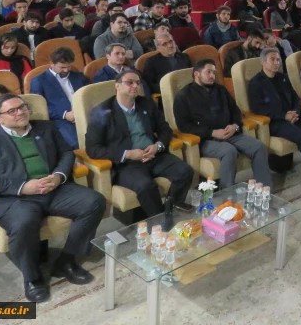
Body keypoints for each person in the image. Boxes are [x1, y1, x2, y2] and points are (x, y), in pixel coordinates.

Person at [0, 93, 105, 303]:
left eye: (22, 107)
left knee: (94, 202)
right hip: (16, 198)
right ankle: (32, 278)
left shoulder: (45, 128)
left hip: (54, 188)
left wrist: (58, 176)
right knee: (23, 222)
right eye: (12, 111)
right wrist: (23, 187)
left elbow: (67, 153)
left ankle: (66, 261)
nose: (20, 112)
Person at [85, 69, 193, 216]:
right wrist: (127, 154)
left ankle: (170, 211)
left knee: (185, 172)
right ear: (117, 86)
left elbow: (165, 129)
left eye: (137, 83)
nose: (135, 86)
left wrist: (158, 146)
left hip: (154, 155)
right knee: (146, 186)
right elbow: (93, 149)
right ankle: (159, 220)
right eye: (129, 83)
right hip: (127, 164)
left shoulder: (146, 103)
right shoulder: (102, 112)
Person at [173, 59, 271, 189]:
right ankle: (228, 196)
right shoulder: (183, 96)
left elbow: (235, 111)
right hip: (206, 139)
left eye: (214, 72)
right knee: (229, 151)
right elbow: (184, 126)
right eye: (208, 72)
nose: (212, 76)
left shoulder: (220, 90)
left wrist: (235, 126)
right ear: (197, 74)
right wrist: (212, 132)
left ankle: (264, 191)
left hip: (230, 133)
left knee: (259, 147)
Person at [248, 48, 301, 180]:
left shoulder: (283, 77)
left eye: (278, 59)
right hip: (275, 122)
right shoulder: (255, 83)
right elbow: (258, 109)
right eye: (272, 60)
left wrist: (295, 112)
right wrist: (284, 116)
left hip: (293, 116)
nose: (276, 63)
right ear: (263, 62)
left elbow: (295, 98)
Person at [29, 47, 87, 149]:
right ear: (52, 63)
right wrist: (64, 115)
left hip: (84, 114)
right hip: (60, 120)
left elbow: (88, 96)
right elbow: (38, 108)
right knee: (78, 144)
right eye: (62, 67)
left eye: (69, 66)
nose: (66, 70)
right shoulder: (39, 81)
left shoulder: (79, 76)